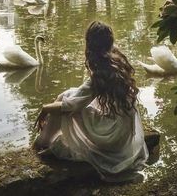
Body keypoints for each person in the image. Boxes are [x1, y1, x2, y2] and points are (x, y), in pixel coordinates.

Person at [33, 21, 148, 182]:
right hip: (123, 136)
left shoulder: (100, 73)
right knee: (69, 94)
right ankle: (46, 139)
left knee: (64, 103)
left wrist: (45, 109)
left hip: (111, 138)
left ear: (90, 45)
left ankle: (44, 142)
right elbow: (81, 95)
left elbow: (71, 105)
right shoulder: (117, 61)